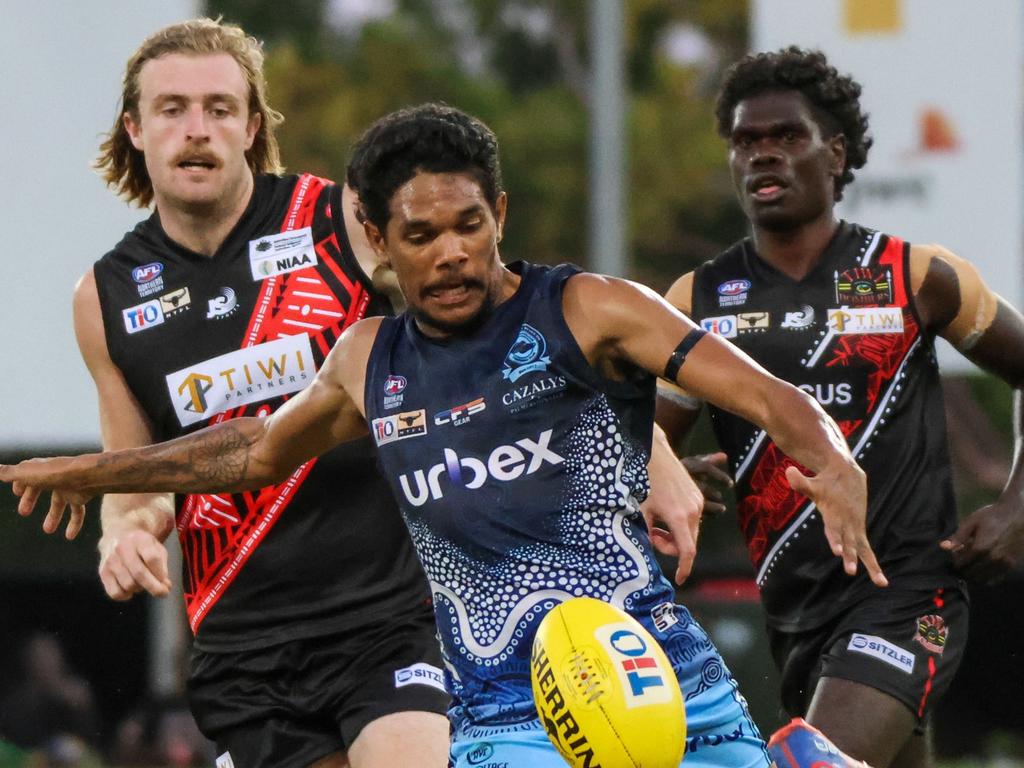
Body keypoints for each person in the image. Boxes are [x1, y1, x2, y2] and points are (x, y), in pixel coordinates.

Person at [3, 103, 887, 768]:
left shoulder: (590, 309)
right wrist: (98, 470)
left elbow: (766, 394)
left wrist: (833, 459)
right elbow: (253, 451)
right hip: (502, 710)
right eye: (420, 235)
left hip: (661, 672)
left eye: (469, 225)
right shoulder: (365, 360)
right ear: (379, 245)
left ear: (498, 211)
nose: (452, 252)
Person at [61, 18, 451, 768]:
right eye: (172, 109)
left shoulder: (342, 221)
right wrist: (127, 533)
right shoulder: (104, 297)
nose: (196, 130)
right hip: (243, 648)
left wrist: (649, 443)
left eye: (219, 108)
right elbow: (134, 473)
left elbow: (489, 319)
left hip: (388, 617)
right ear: (136, 130)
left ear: (251, 126)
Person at [659, 47, 1024, 768]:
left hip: (910, 594)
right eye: (745, 141)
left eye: (786, 137)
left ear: (836, 153)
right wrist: (666, 470)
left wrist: (1019, 506)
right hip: (792, 611)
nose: (764, 155)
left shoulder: (917, 277)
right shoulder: (692, 304)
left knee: (813, 762)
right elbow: (639, 448)